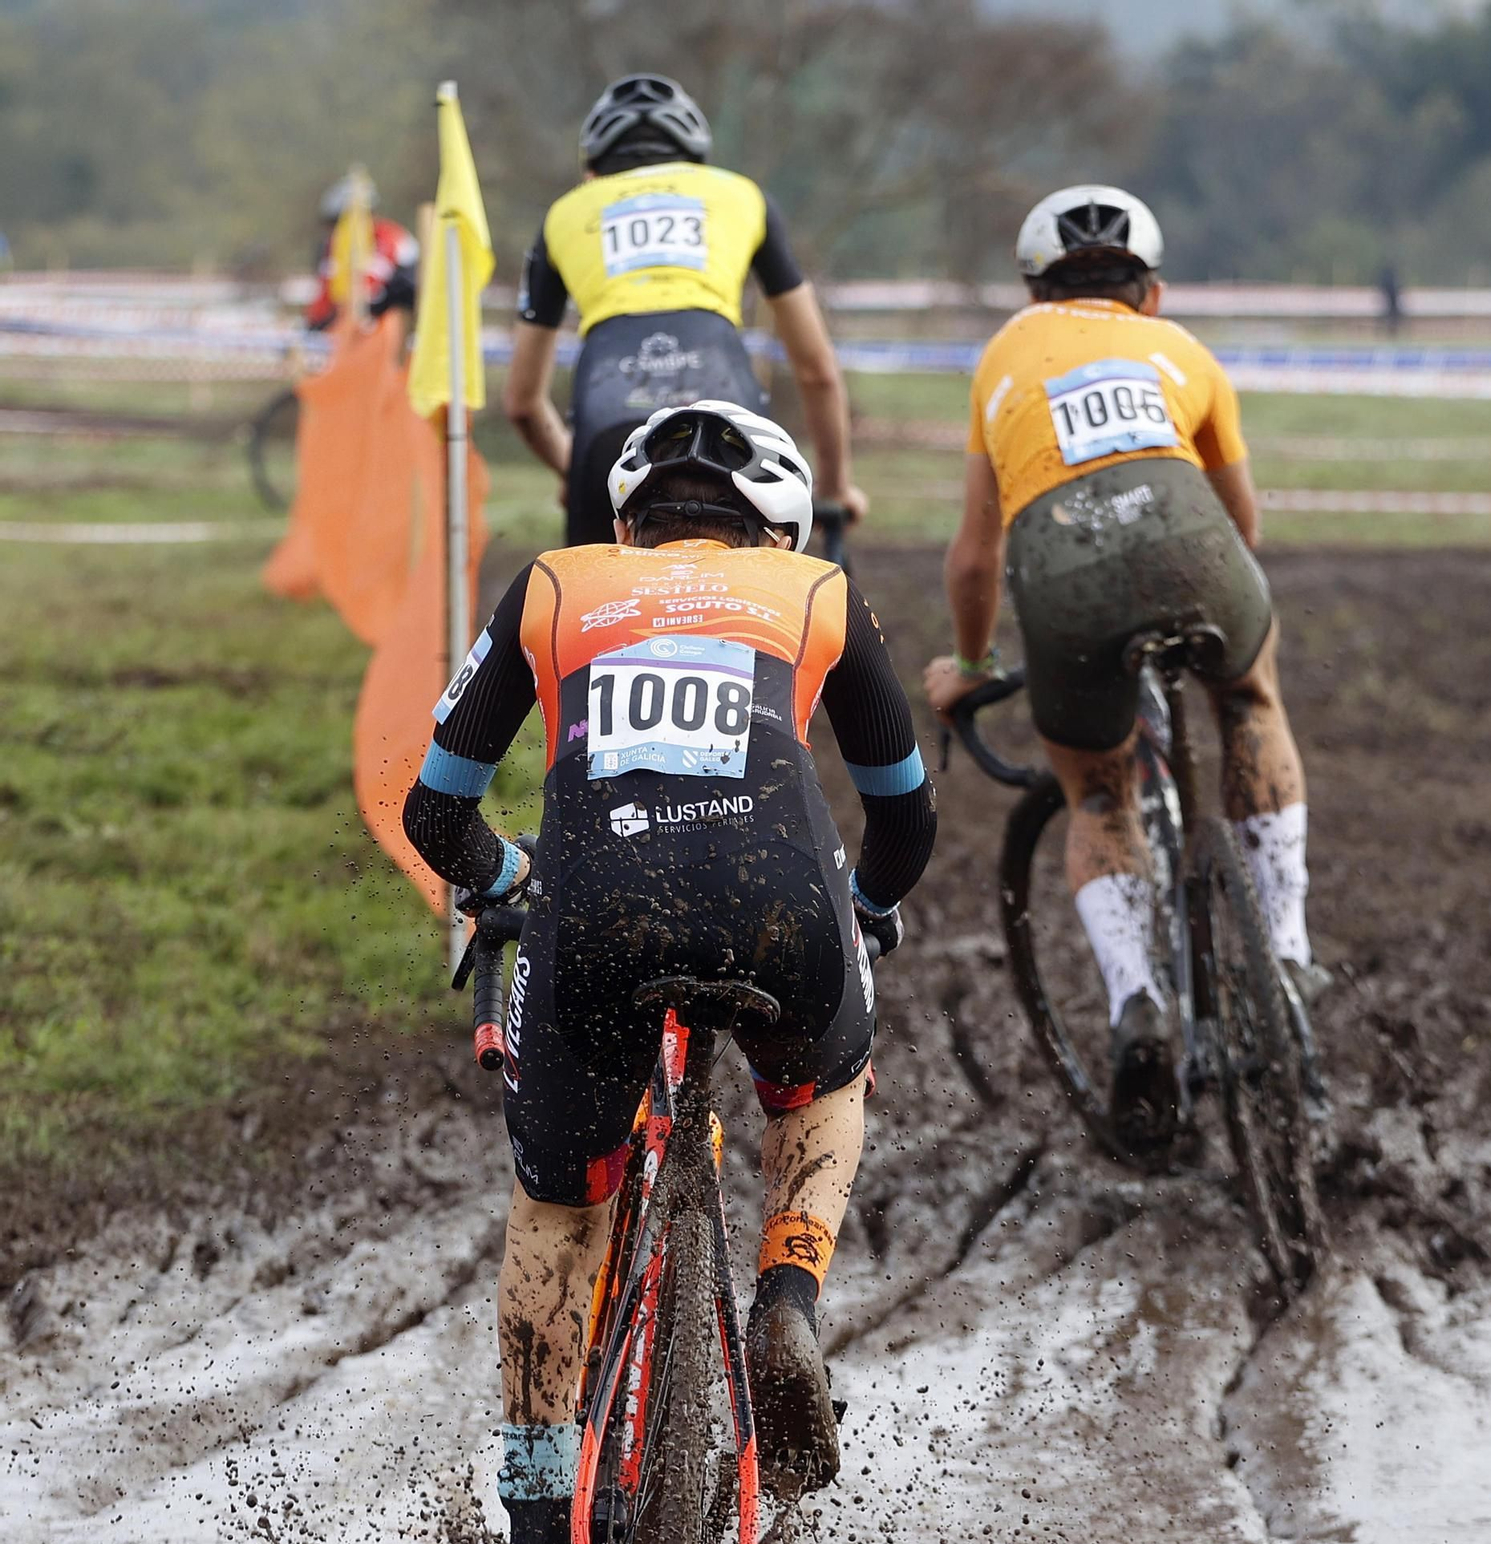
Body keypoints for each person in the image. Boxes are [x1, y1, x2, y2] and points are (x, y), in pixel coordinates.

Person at [401, 399, 933, 1544]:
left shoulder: (555, 584)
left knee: (556, 1207)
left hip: (595, 914)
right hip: (782, 910)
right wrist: (868, 910)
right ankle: (788, 1298)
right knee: (824, 1084)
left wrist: (503, 884)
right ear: (777, 527)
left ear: (624, 522)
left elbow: (435, 814)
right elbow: (904, 818)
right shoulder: (820, 594)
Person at [924, 184, 1323, 1149]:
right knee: (1250, 695)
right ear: (1151, 292)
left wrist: (972, 663)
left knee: (1098, 790)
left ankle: (1139, 1000)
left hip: (1060, 565)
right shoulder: (1184, 351)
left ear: (1034, 293)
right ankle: (1287, 949)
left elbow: (976, 556)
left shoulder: (1005, 358)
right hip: (1191, 541)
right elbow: (1246, 527)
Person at [505, 74, 867, 547]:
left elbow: (522, 403)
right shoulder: (743, 197)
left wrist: (577, 470)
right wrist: (836, 487)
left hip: (607, 421)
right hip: (728, 419)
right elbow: (817, 369)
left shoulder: (564, 213)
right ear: (698, 163)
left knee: (596, 609)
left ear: (593, 170)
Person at [304, 175, 418, 332]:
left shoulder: (389, 237)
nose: (334, 231)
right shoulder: (333, 249)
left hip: (394, 320)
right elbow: (326, 293)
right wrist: (314, 325)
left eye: (338, 223)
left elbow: (372, 289)